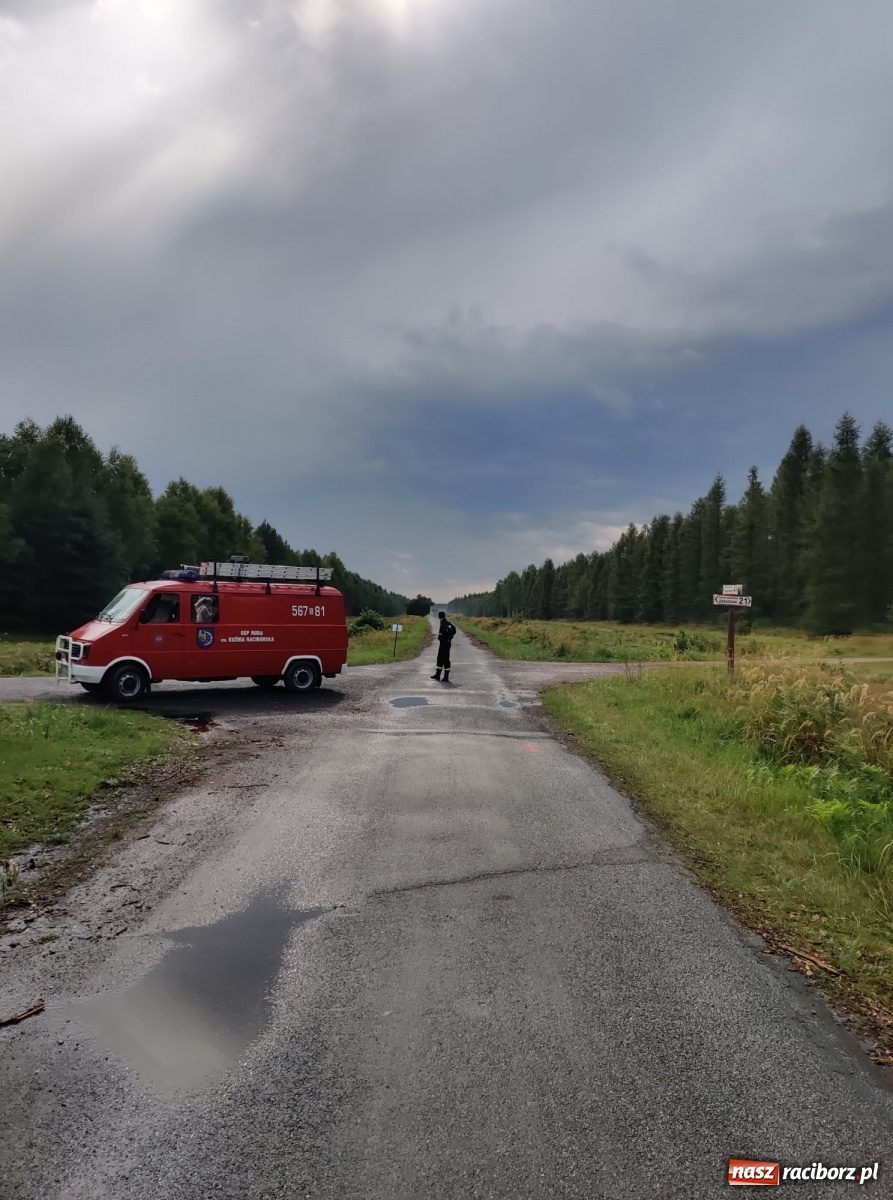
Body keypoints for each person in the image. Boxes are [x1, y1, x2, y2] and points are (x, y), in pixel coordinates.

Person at [431, 611, 456, 682]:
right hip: (446, 643)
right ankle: (438, 675)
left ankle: (445, 677)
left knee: (445, 659)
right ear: (444, 616)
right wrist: (450, 637)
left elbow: (446, 633)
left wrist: (447, 638)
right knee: (440, 658)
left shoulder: (443, 624)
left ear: (439, 616)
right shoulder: (448, 623)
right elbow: (454, 630)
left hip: (444, 643)